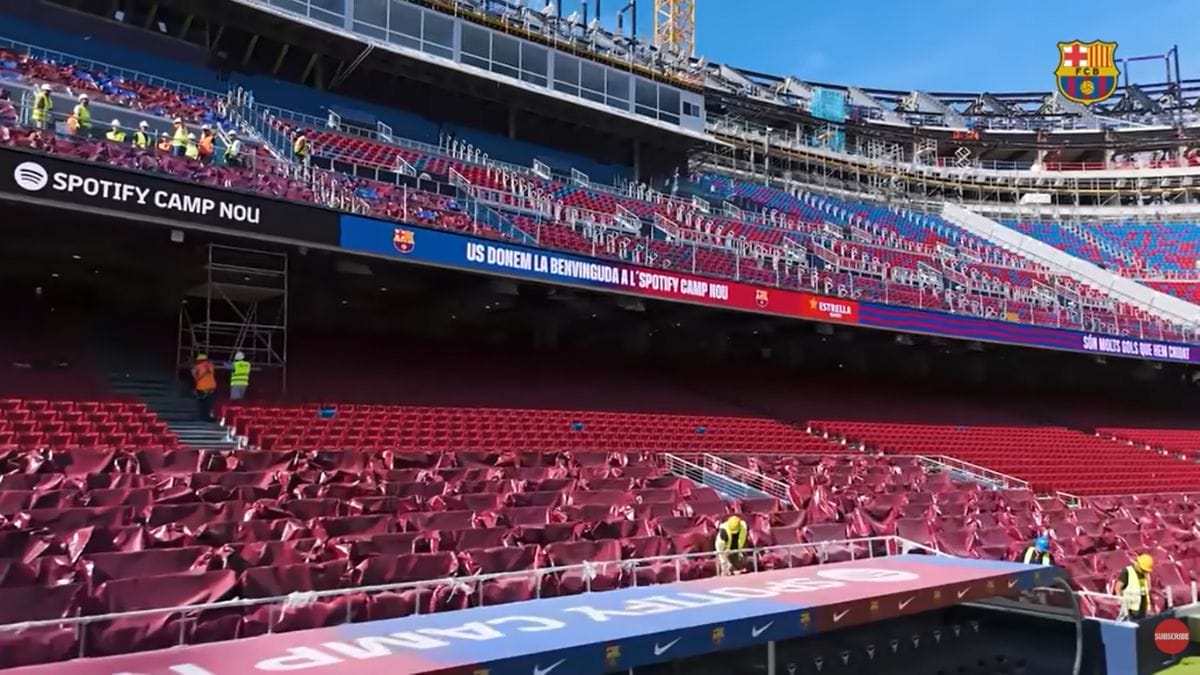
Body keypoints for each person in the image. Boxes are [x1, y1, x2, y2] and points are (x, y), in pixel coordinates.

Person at [1114, 554, 1154, 621]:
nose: (1145, 572)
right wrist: (1122, 604)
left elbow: (1148, 589)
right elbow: (1117, 588)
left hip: (1143, 609)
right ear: (1137, 565)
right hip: (1131, 610)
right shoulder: (1127, 572)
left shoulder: (1145, 574)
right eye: (1143, 570)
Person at [191, 354, 217, 422]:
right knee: (208, 404)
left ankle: (202, 416)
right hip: (210, 388)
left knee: (201, 404)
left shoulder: (197, 367)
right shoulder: (210, 365)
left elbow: (195, 376)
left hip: (201, 388)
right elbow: (211, 370)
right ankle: (207, 417)